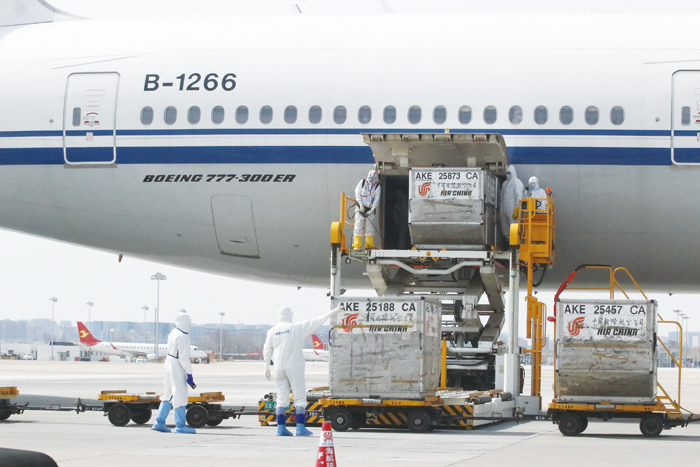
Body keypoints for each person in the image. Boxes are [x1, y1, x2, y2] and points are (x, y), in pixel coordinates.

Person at [263, 305, 342, 436]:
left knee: (281, 397)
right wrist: (334, 312)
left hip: (278, 366)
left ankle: (281, 428)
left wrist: (266, 367)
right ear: (290, 315)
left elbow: (266, 350)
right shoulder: (297, 328)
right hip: (294, 364)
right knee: (299, 395)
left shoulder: (272, 331)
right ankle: (300, 427)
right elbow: (317, 321)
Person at [151, 311, 196, 434]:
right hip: (177, 365)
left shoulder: (173, 332)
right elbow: (184, 358)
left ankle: (159, 422)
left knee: (168, 394)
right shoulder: (182, 337)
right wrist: (189, 373)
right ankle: (180, 425)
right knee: (180, 395)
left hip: (169, 363)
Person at [353, 169, 381, 250]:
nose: (370, 181)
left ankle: (368, 245)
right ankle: (357, 245)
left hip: (370, 210)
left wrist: (372, 209)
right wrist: (361, 205)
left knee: (369, 229)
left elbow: (377, 199)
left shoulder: (377, 187)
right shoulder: (362, 183)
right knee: (358, 226)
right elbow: (357, 194)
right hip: (360, 208)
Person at [499, 165, 525, 243]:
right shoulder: (504, 184)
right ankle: (508, 242)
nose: (508, 175)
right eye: (506, 173)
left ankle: (515, 245)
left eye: (509, 173)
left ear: (513, 173)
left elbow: (519, 196)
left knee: (513, 226)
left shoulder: (517, 182)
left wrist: (517, 207)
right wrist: (501, 208)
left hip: (512, 207)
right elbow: (502, 197)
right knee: (504, 226)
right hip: (504, 207)